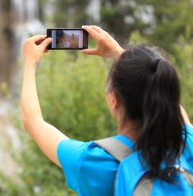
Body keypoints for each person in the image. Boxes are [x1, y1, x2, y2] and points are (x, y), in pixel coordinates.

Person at [21, 25, 192, 195]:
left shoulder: (94, 162)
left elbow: (32, 121)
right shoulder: (185, 144)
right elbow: (167, 97)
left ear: (114, 101)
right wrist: (122, 55)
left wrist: (30, 62)